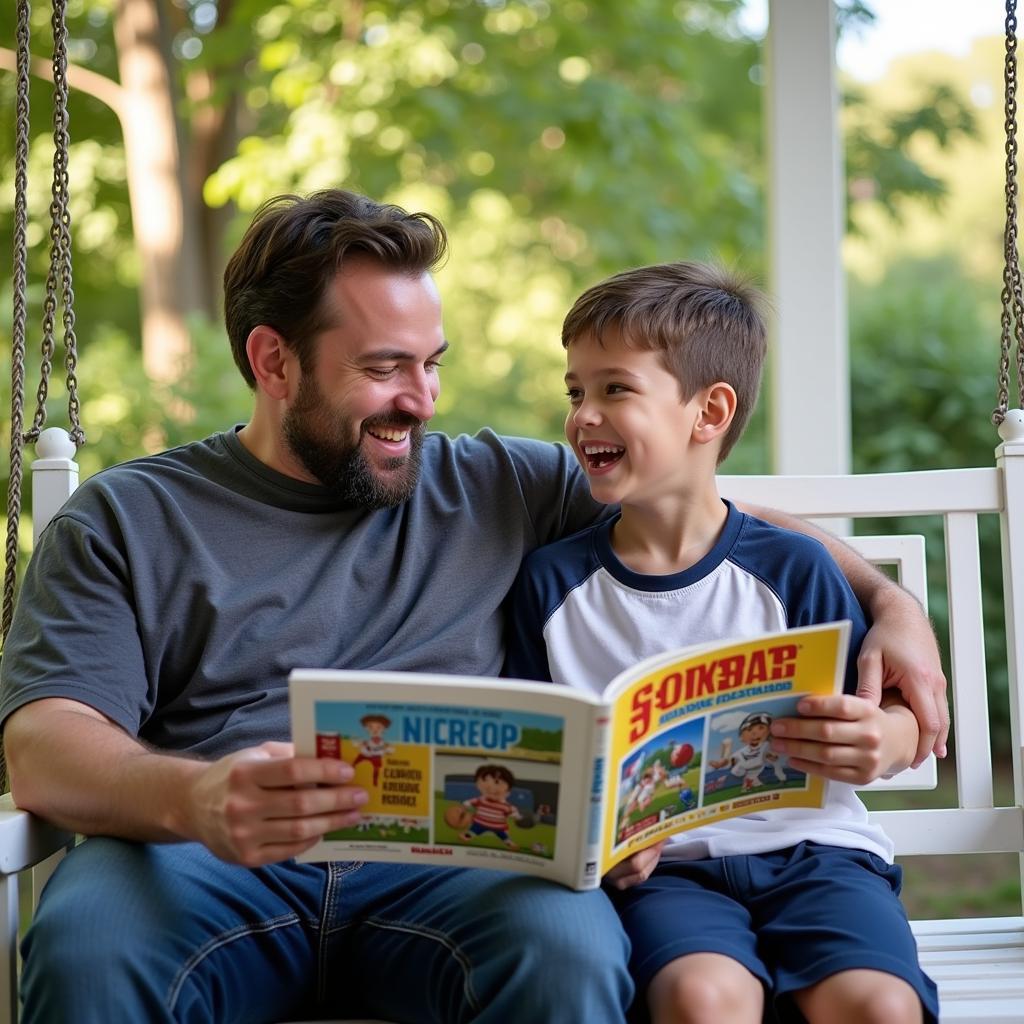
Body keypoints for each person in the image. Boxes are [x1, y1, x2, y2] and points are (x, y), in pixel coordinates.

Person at [0, 191, 943, 1024]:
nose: (422, 400)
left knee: (569, 951)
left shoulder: (492, 481)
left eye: (432, 363)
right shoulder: (129, 516)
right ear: (273, 361)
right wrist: (197, 798)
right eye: (384, 368)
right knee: (88, 950)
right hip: (202, 856)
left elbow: (706, 513)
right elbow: (44, 745)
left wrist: (888, 600)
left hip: (459, 863)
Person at [504, 261, 939, 1024]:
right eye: (576, 391)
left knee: (879, 1006)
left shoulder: (792, 569)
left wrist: (889, 738)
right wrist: (592, 837)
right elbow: (540, 763)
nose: (582, 415)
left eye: (615, 388)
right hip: (664, 873)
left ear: (708, 413)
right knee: (702, 1000)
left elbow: (887, 721)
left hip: (819, 854)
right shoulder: (551, 584)